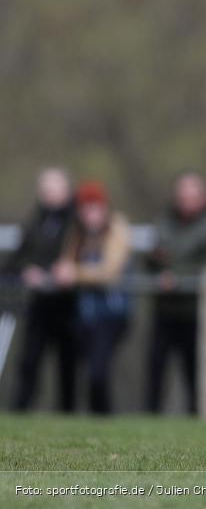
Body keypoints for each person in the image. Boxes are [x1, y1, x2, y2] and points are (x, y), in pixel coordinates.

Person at [144, 171, 206, 414]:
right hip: (165, 307)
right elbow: (154, 256)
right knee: (155, 368)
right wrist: (156, 262)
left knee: (194, 371)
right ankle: (150, 417)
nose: (186, 201)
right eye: (182, 195)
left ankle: (198, 418)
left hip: (197, 310)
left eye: (191, 195)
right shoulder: (165, 219)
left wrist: (178, 275)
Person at [54, 181, 131, 414]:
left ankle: (103, 417)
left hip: (111, 313)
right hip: (84, 314)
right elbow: (66, 261)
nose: (90, 214)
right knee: (80, 370)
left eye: (94, 208)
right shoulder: (77, 233)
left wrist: (75, 273)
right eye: (85, 209)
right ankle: (87, 417)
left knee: (98, 372)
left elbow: (110, 271)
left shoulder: (117, 228)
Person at [6, 167, 78, 412]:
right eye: (46, 190)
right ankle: (19, 412)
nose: (50, 195)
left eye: (55, 189)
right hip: (38, 304)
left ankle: (68, 415)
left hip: (70, 303)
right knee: (29, 362)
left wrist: (72, 270)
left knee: (68, 365)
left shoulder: (77, 221)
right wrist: (28, 271)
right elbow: (15, 261)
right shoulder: (35, 220)